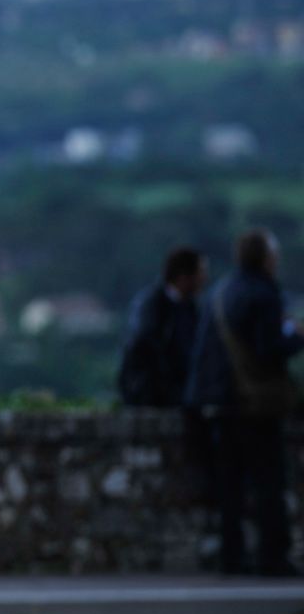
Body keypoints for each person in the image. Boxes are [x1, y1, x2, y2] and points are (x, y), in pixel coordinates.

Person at [184, 228, 302, 576]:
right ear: (267, 258)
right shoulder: (263, 294)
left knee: (230, 488)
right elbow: (268, 349)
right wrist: (295, 338)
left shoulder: (222, 291)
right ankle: (273, 557)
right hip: (253, 403)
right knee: (269, 482)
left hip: (219, 402)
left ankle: (232, 558)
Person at [118, 246, 204, 408]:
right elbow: (144, 347)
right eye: (200, 273)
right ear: (184, 276)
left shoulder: (190, 307)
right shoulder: (152, 306)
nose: (204, 278)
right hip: (155, 396)